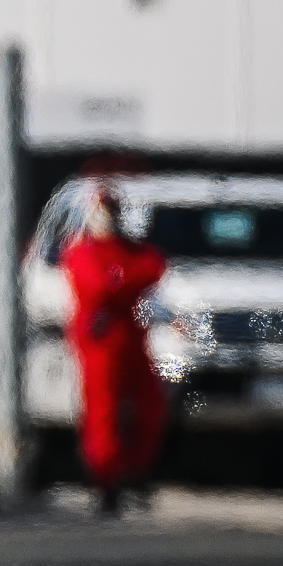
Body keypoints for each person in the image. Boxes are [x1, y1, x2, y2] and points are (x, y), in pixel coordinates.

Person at [59, 185, 170, 513]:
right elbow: (97, 288)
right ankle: (105, 479)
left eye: (112, 210)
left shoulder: (127, 250)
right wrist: (121, 281)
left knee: (150, 404)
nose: (108, 217)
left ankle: (134, 470)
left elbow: (153, 267)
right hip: (100, 340)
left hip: (129, 335)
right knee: (103, 410)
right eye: (103, 210)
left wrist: (120, 280)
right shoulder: (81, 251)